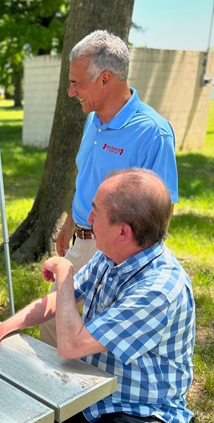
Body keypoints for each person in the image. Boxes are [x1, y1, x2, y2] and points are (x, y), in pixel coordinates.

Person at [0, 169, 195, 423]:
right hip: (92, 384)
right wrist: (3, 327)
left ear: (123, 231)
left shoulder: (160, 289)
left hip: (141, 408)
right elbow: (61, 302)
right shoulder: (114, 254)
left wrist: (64, 275)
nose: (87, 217)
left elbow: (70, 344)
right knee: (5, 409)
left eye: (96, 210)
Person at [41, 30, 180, 352]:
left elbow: (161, 211)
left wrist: (128, 267)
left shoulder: (152, 132)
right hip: (82, 240)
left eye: (77, 83)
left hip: (117, 253)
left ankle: (86, 399)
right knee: (53, 321)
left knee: (93, 341)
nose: (70, 92)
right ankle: (58, 393)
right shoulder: (94, 119)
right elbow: (85, 176)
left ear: (105, 79)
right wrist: (70, 223)